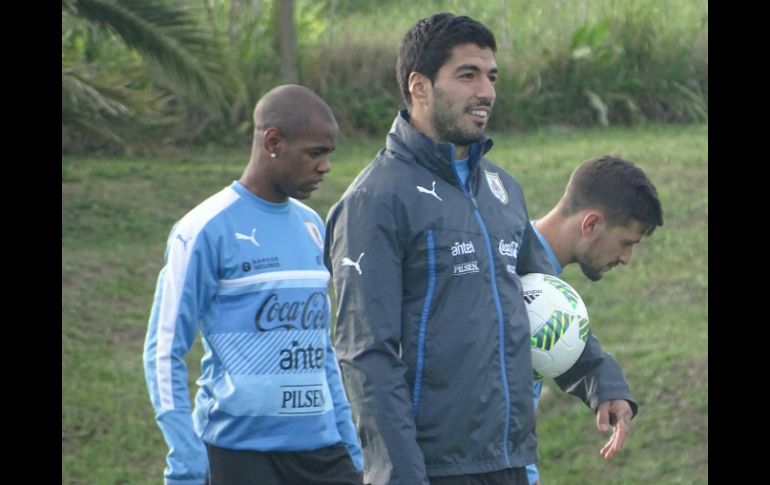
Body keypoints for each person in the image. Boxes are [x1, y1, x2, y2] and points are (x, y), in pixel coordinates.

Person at [325, 13, 637, 485]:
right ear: (419, 86)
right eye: (467, 75)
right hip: (434, 471)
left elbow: (541, 299)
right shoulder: (374, 201)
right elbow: (366, 355)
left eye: (491, 76)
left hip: (508, 462)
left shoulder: (501, 190)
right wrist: (399, 474)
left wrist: (601, 379)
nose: (486, 91)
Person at [142, 84, 363, 485]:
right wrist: (187, 459)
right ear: (273, 142)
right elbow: (163, 352)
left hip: (322, 453)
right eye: (316, 153)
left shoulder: (314, 227)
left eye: (329, 154)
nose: (326, 167)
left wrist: (349, 440)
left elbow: (322, 349)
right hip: (238, 455)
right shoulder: (204, 229)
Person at [525, 155, 664, 485]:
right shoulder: (500, 266)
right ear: (590, 224)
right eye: (626, 243)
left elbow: (561, 337)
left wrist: (605, 385)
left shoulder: (540, 284)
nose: (627, 258)